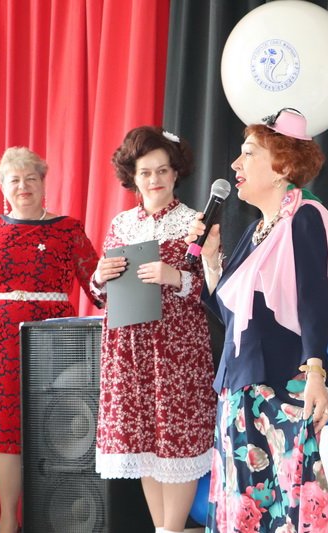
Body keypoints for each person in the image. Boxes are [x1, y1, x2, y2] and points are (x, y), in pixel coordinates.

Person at [186, 108, 328, 532]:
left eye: (248, 153)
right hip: (240, 386)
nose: (235, 164)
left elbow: (314, 298)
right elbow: (232, 316)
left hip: (283, 386)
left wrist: (315, 372)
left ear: (281, 166)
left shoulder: (305, 216)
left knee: (290, 507)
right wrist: (211, 259)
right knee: (247, 510)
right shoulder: (257, 230)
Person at [0, 146, 100, 533]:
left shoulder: (69, 229)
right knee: (6, 431)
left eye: (31, 178)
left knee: (58, 427)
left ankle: (54, 518)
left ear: (44, 183)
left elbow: (99, 288)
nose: (23, 186)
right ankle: (7, 520)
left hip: (56, 344)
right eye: (14, 179)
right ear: (3, 186)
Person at [92, 126, 216, 533]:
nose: (154, 179)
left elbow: (216, 292)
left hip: (177, 351)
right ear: (133, 176)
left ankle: (171, 529)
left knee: (175, 444)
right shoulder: (121, 224)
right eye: (145, 172)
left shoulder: (195, 223)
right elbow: (101, 296)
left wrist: (174, 276)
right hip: (128, 350)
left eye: (162, 170)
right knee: (145, 447)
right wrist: (100, 277)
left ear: (176, 173)